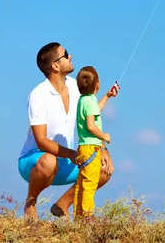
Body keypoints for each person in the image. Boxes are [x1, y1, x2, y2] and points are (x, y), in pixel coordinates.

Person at [17, 42, 117, 219]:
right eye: (66, 54)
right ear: (55, 65)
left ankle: (62, 205)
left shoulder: (76, 87)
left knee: (102, 168)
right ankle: (30, 203)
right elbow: (41, 141)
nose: (71, 57)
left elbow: (91, 119)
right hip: (35, 160)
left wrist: (102, 149)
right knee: (48, 161)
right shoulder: (38, 95)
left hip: (67, 160)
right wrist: (71, 153)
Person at [72, 66, 115, 217]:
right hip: (92, 148)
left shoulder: (84, 100)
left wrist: (107, 96)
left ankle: (78, 217)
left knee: (81, 184)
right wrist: (104, 136)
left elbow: (95, 110)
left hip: (83, 148)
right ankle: (86, 218)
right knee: (90, 184)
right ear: (97, 84)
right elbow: (91, 125)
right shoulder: (89, 101)